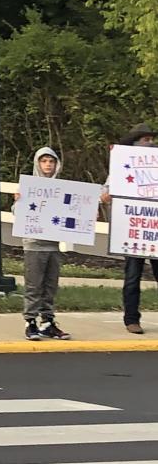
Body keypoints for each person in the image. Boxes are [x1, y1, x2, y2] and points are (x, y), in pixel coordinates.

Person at [16, 147, 72, 341]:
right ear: (37, 163)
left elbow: (72, 211)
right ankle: (30, 321)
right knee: (34, 286)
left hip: (53, 245)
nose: (48, 164)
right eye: (44, 161)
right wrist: (19, 202)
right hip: (34, 244)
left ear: (57, 164)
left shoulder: (63, 189)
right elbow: (18, 212)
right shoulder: (29, 188)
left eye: (51, 161)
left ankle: (48, 322)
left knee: (50, 286)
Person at [108, 123, 158, 334]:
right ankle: (131, 319)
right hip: (133, 233)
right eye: (145, 139)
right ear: (135, 143)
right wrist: (106, 195)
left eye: (151, 139)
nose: (150, 143)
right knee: (132, 278)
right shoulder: (122, 166)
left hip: (154, 232)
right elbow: (107, 190)